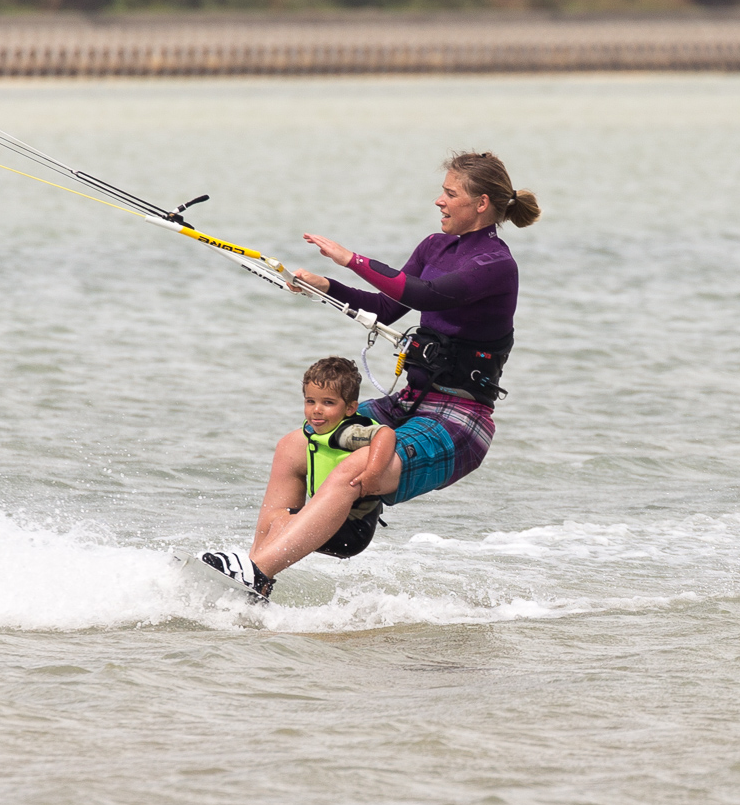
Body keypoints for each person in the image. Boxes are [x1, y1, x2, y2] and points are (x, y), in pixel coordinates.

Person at [202, 151, 540, 599]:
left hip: (460, 420)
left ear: (481, 203)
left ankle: (257, 571)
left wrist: (351, 259)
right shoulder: (435, 246)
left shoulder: (495, 264)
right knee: (293, 446)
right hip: (409, 403)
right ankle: (253, 577)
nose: (439, 201)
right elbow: (388, 306)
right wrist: (328, 286)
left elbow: (427, 295)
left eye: (450, 193)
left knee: (356, 464)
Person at [201, 357, 397, 598]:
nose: (317, 409)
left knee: (281, 522)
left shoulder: (347, 432)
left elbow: (385, 434)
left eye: (328, 403)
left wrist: (374, 473)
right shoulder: (316, 430)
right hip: (332, 521)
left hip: (352, 529)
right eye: (310, 401)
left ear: (350, 408)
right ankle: (252, 575)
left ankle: (256, 578)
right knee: (273, 518)